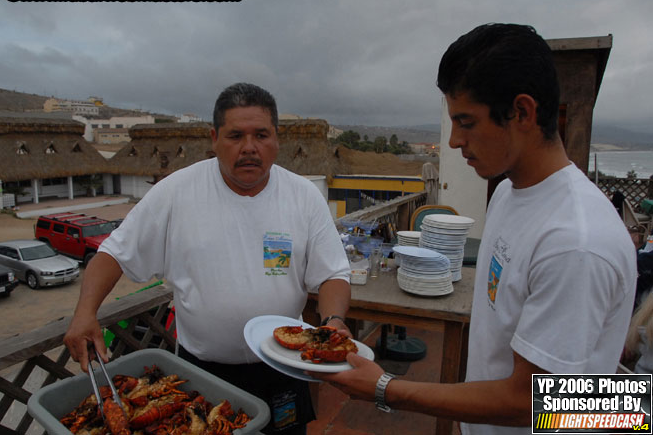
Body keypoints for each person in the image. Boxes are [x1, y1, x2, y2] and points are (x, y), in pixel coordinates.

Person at [312, 23, 637, 433]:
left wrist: (384, 387)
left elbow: (535, 403)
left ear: (522, 112)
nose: (453, 142)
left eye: (466, 122)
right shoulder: (507, 194)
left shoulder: (577, 242)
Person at [64, 82, 352, 435]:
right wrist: (84, 313)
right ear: (214, 139)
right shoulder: (176, 192)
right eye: (235, 136)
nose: (249, 148)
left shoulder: (303, 196)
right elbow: (113, 253)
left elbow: (333, 273)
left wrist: (334, 321)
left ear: (277, 139)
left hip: (282, 367)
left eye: (261, 135)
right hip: (201, 373)